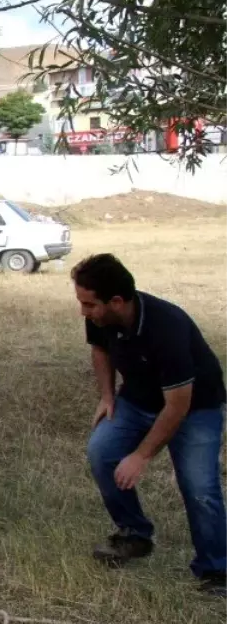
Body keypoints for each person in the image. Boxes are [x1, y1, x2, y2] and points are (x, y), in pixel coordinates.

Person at [73, 253, 227, 596]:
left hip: (195, 407)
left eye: (89, 304)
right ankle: (134, 535)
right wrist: (108, 396)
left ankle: (216, 570)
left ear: (116, 301)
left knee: (199, 487)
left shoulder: (165, 327)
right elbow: (100, 351)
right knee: (102, 451)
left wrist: (141, 456)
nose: (84, 311)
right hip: (137, 400)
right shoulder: (101, 317)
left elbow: (178, 405)